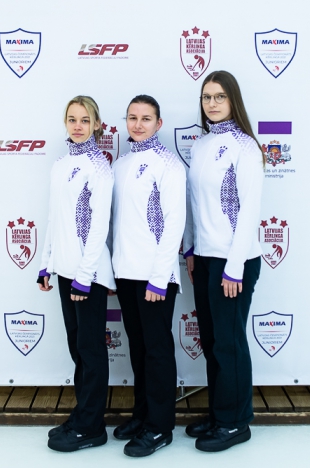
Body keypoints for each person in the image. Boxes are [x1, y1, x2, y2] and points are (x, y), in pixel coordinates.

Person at [182, 71, 264, 452]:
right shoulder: (201, 146)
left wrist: (234, 267)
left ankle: (235, 423)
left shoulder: (246, 147)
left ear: (233, 100)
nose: (212, 103)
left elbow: (249, 211)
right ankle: (219, 413)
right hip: (205, 258)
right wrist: (191, 250)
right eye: (206, 97)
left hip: (235, 261)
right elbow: (195, 204)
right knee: (213, 340)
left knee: (229, 342)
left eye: (219, 97)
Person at [37, 95, 115, 452]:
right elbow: (55, 217)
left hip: (89, 274)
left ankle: (92, 427)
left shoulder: (99, 167)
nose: (78, 126)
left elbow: (98, 227)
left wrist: (85, 275)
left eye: (85, 120)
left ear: (96, 124)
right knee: (77, 347)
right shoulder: (61, 164)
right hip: (65, 270)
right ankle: (84, 414)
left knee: (91, 349)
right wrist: (46, 262)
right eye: (72, 119)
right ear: (65, 123)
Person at [111, 95, 186, 457]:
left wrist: (159, 277)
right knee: (138, 348)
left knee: (156, 350)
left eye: (146, 118)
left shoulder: (168, 164)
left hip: (155, 276)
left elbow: (174, 223)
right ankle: (142, 415)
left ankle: (160, 427)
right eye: (132, 117)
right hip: (126, 273)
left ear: (159, 123)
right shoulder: (121, 163)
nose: (138, 124)